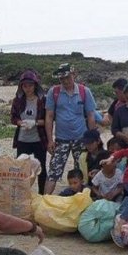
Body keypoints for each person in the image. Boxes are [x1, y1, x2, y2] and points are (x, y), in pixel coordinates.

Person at [44, 63, 97, 195]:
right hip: (61, 139)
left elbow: (91, 116)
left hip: (81, 139)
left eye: (68, 77)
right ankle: (45, 200)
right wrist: (50, 140)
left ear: (74, 75)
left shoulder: (85, 92)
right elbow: (49, 117)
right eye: (62, 79)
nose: (65, 81)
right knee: (53, 171)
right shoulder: (54, 92)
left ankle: (82, 199)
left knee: (82, 171)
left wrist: (93, 139)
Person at [10, 69, 48, 194]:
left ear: (35, 85)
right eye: (25, 86)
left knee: (41, 168)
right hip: (22, 139)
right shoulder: (18, 101)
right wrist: (21, 123)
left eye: (30, 85)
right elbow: (13, 118)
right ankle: (21, 194)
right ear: (21, 86)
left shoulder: (43, 100)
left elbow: (49, 120)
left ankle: (42, 194)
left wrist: (35, 123)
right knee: (21, 168)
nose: (28, 88)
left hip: (39, 139)